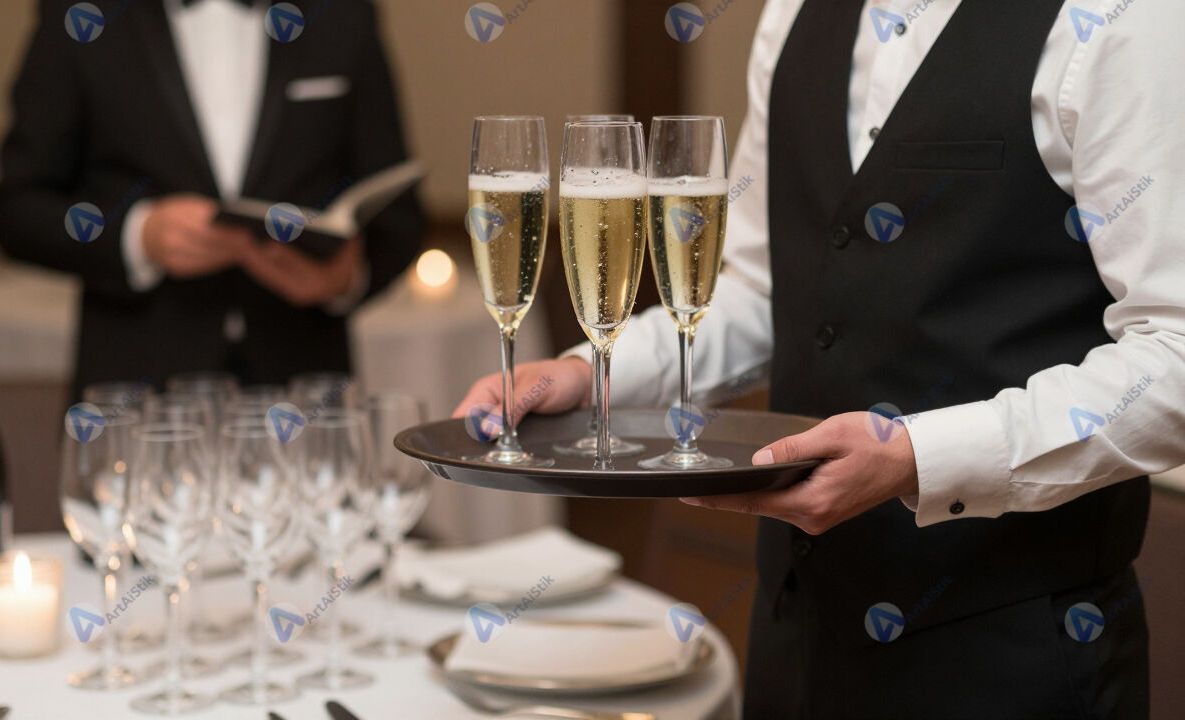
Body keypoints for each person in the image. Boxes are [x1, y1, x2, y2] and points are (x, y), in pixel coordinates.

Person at [457, 0, 1184, 716]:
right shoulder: (791, 14)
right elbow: (761, 287)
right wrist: (592, 374)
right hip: (796, 637)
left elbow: (1175, 353)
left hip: (1013, 655)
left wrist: (918, 456)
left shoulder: (1121, 17)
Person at [0, 0, 423, 394]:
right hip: (136, 390)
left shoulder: (341, 12)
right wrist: (138, 236)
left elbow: (398, 210)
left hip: (304, 385)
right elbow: (16, 208)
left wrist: (345, 277)